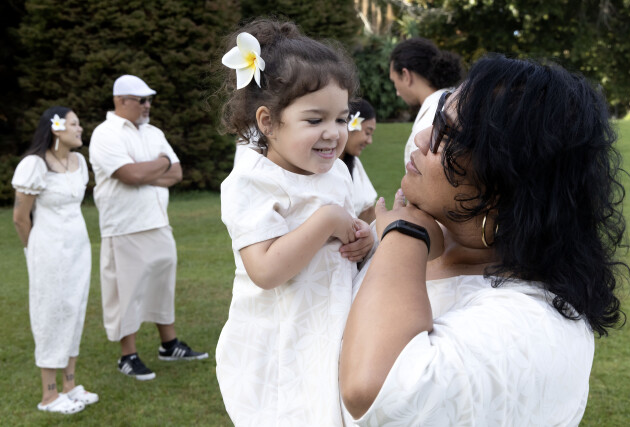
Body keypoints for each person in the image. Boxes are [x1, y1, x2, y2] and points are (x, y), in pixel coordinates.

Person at [340, 55, 627, 425]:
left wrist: (405, 234)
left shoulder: (533, 327)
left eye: (448, 134)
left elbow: (375, 389)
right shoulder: (428, 242)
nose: (423, 138)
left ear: (504, 181)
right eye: (437, 118)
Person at [216, 19, 373, 426]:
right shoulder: (253, 182)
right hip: (280, 342)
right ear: (268, 122)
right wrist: (328, 221)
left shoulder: (336, 174)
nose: (333, 133)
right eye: (315, 120)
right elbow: (266, 270)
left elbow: (343, 240)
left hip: (333, 329)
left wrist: (362, 240)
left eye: (341, 119)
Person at [89, 74, 207, 381]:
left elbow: (176, 173)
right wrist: (159, 164)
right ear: (121, 101)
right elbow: (129, 175)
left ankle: (169, 345)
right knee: (126, 292)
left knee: (162, 285)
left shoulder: (154, 132)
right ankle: (127, 356)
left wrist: (148, 171)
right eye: (141, 100)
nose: (147, 105)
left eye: (149, 99)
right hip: (124, 225)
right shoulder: (105, 133)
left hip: (158, 220)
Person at [12, 106, 98, 414]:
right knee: (50, 313)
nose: (80, 128)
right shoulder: (34, 165)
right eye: (74, 124)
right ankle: (49, 395)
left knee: (74, 309)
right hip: (48, 251)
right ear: (56, 127)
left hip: (78, 249)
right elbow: (20, 218)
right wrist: (33, 251)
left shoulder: (79, 162)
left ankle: (69, 385)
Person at [389, 37, 463, 169]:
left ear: (406, 75)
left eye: (394, 82)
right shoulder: (453, 103)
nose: (397, 93)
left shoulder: (431, 122)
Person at [341, 99, 377, 224]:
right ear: (351, 124)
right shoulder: (321, 166)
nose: (370, 141)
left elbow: (368, 211)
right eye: (367, 132)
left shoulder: (355, 164)